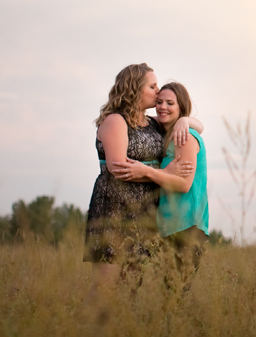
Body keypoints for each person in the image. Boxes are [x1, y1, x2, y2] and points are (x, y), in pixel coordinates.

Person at [83, 63, 201, 291]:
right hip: (114, 210)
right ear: (134, 89)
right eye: (152, 86)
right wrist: (162, 175)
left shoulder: (154, 123)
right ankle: (85, 327)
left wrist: (185, 121)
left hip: (145, 212)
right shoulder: (116, 120)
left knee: (131, 290)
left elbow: (199, 125)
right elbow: (118, 168)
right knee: (105, 290)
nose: (158, 91)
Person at [112, 81, 209, 274]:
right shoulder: (166, 133)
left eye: (170, 103)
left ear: (181, 106)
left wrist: (146, 171)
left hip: (186, 227)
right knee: (165, 299)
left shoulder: (185, 137)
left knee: (174, 298)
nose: (163, 107)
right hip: (168, 229)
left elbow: (183, 185)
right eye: (160, 102)